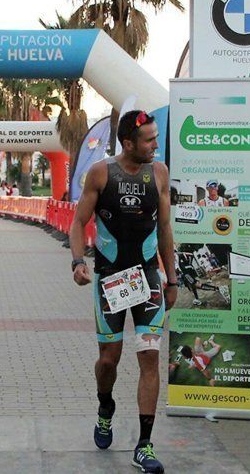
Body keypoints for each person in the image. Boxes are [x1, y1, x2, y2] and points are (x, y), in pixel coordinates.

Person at [69, 110, 177, 474]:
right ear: (128, 143)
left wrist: (172, 279)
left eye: (155, 136)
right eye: (149, 139)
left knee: (149, 357)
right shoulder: (101, 172)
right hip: (110, 280)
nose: (155, 144)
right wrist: (77, 262)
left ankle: (144, 446)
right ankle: (105, 407)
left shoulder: (158, 173)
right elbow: (77, 222)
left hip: (146, 280)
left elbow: (164, 229)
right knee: (108, 362)